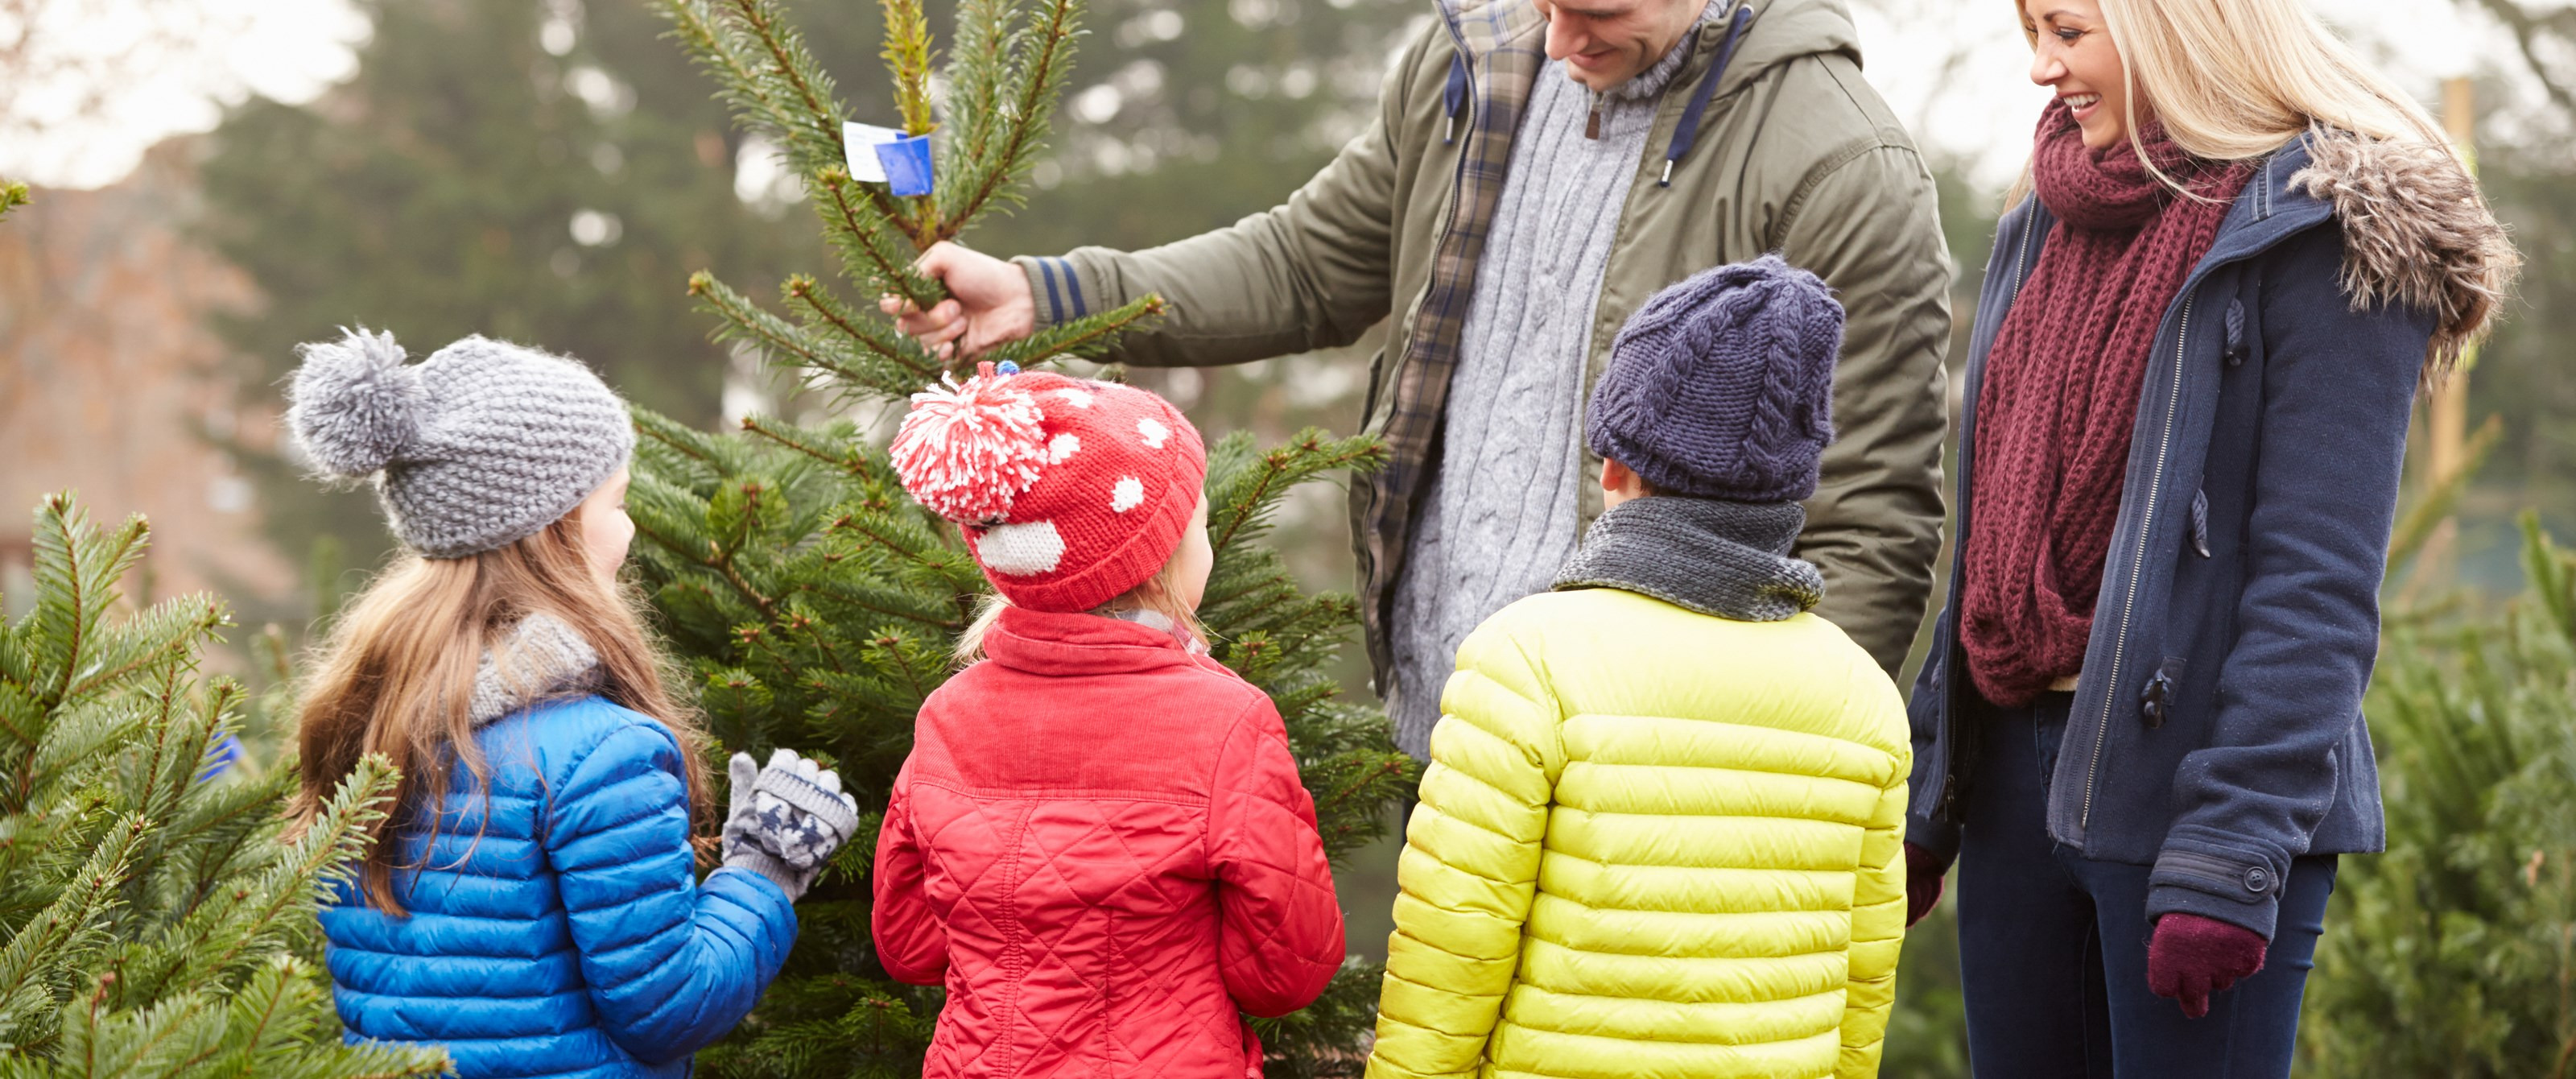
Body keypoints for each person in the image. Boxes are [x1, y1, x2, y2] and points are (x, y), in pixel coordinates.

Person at [882, 0, 1954, 758]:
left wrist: (1752, 776)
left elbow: (1873, 524)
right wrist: (1048, 296)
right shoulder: (1474, 69)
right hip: (1444, 728)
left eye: (1598, 12)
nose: (1561, 36)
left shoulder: (1839, 163)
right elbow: (1304, 262)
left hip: (1648, 765)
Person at [1897, 0, 2520, 1073]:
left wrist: (2231, 850)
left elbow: (2315, 585)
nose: (2043, 68)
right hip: (2010, 784)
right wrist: (1930, 782)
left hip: (2200, 798)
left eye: (2067, 31)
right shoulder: (2043, 214)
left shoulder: (2318, 226)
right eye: (2031, 34)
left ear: (2170, 25)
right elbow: (1998, 527)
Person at [1365, 259, 1911, 1079]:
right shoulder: (1861, 692)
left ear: (1615, 469)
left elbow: (1455, 938)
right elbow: (1862, 976)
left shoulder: (1527, 659)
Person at [286, 329, 860, 1076]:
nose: (628, 528)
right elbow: (668, 1009)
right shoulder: (600, 752)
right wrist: (763, 872)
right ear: (555, 529)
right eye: (615, 502)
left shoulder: (363, 719)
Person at [870, 365, 1346, 1077]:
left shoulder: (947, 714)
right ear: (1162, 563)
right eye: (1201, 526)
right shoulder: (1226, 720)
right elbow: (1286, 973)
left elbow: (910, 946)